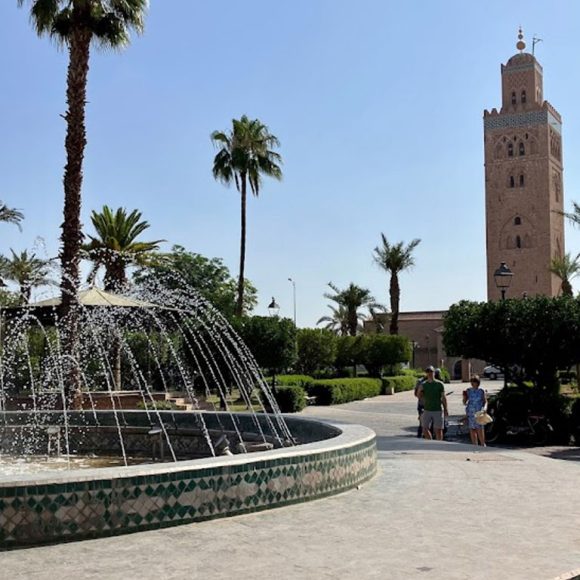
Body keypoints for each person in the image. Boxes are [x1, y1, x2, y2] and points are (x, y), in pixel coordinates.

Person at [417, 366, 448, 440]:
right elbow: (418, 395)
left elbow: (443, 397)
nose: (430, 373)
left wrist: (446, 409)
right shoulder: (423, 384)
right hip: (427, 409)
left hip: (437, 409)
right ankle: (430, 442)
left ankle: (439, 445)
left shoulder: (439, 384)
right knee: (424, 428)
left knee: (438, 429)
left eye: (431, 372)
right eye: (428, 372)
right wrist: (421, 396)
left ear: (434, 373)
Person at [463, 374, 487, 446]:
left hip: (478, 413)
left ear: (478, 383)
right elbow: (464, 402)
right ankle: (474, 446)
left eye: (474, 382)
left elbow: (485, 401)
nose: (473, 383)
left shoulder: (481, 391)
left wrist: (485, 408)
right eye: (472, 382)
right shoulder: (468, 390)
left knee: (479, 429)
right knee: (472, 430)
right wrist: (464, 397)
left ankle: (483, 445)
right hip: (471, 412)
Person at [414, 371, 427, 438]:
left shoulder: (434, 381)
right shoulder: (420, 381)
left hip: (431, 405)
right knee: (422, 422)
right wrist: (422, 392)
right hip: (422, 404)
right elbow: (416, 394)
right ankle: (420, 436)